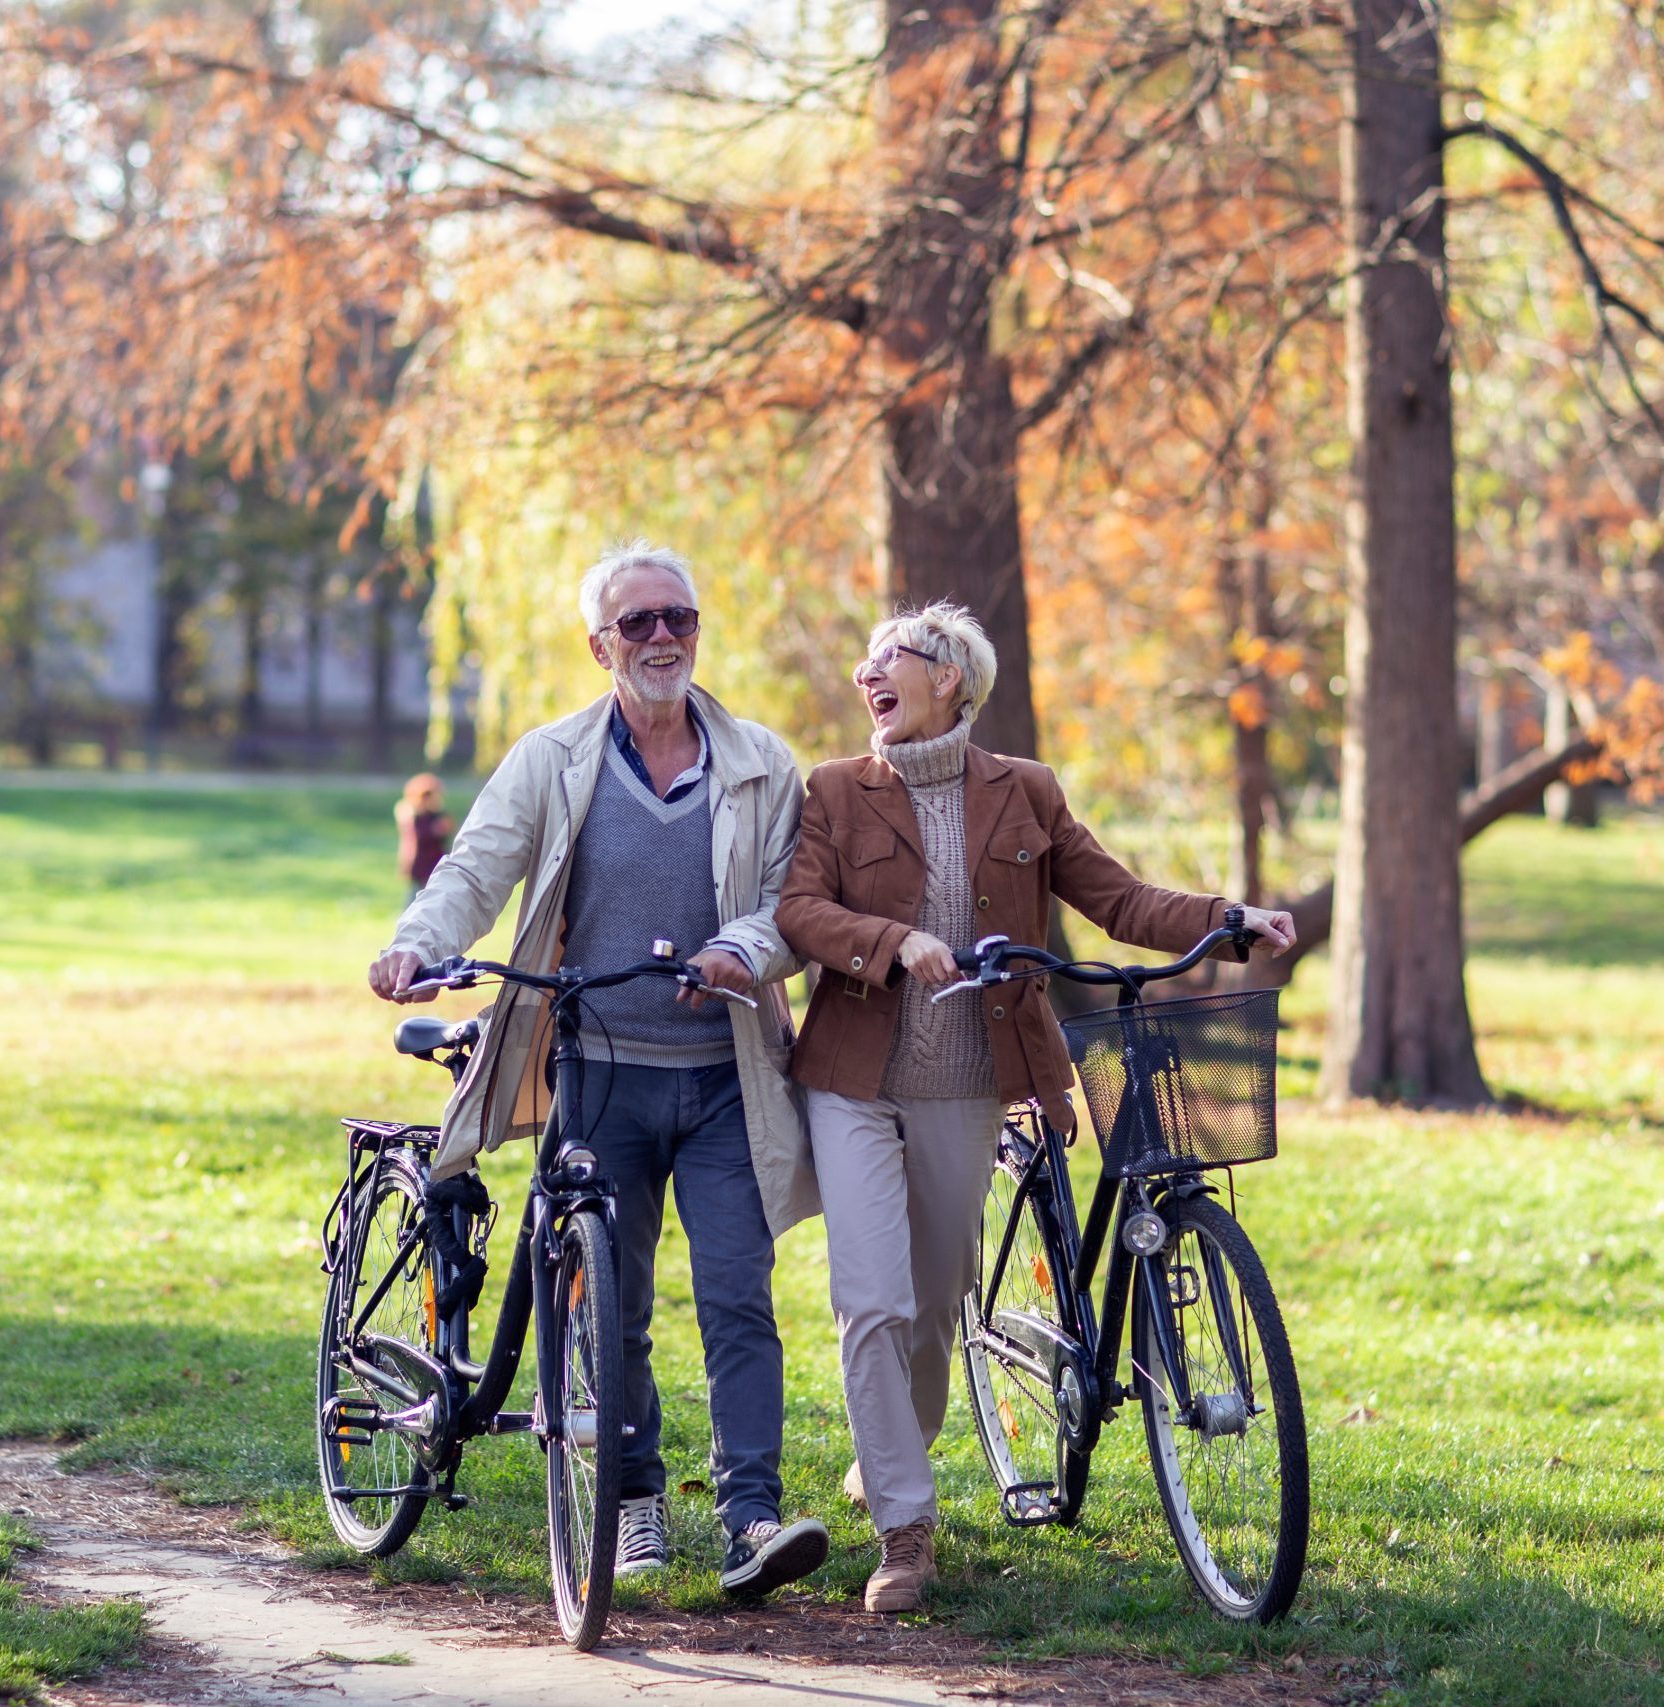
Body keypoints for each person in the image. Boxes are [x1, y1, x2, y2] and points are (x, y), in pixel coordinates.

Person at [775, 601, 1295, 1614]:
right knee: (872, 1301)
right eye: (864, 661)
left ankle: (892, 1444)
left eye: (893, 658)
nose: (866, 676)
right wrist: (891, 944)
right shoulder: (835, 790)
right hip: (851, 1077)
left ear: (951, 681)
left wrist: (1224, 921)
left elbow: (1117, 897)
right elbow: (799, 911)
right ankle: (904, 1527)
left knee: (936, 1301)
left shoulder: (1024, 793)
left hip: (969, 1084)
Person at [367, 541, 828, 1596]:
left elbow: (789, 906)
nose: (662, 638)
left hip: (724, 1077)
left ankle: (750, 1519)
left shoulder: (759, 760)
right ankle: (632, 1500)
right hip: (597, 1073)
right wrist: (414, 940)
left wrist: (741, 953)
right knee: (604, 1304)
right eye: (638, 624)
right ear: (598, 645)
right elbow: (475, 867)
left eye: (680, 618)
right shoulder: (552, 757)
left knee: (735, 1296)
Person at [395, 773, 454, 898]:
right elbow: (413, 839)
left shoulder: (438, 816)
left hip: (435, 864)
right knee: (415, 898)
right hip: (420, 866)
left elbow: (446, 832)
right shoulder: (414, 817)